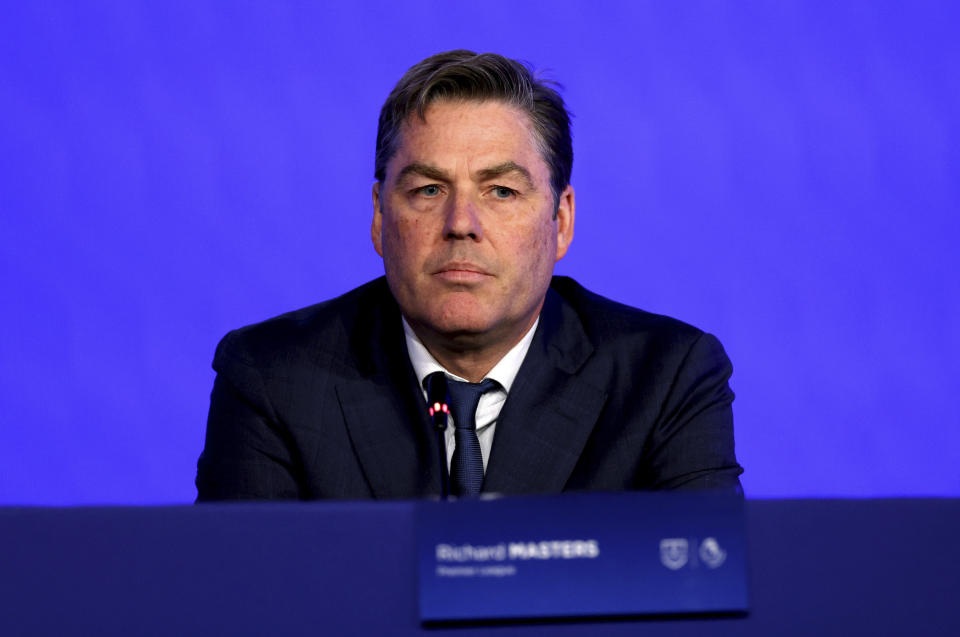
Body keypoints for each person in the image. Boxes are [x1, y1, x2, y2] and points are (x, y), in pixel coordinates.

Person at [195, 50, 742, 501]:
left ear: (561, 221)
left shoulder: (666, 377)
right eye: (428, 190)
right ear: (381, 220)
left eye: (501, 191)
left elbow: (702, 603)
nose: (461, 224)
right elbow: (246, 608)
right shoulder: (274, 379)